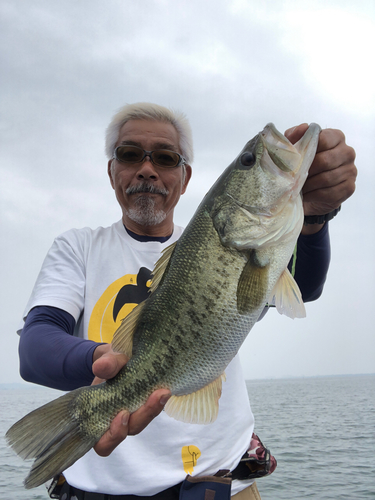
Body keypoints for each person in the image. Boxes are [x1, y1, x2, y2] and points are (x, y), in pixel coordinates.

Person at [18, 103, 357, 499]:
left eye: (165, 157)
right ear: (112, 171)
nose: (147, 169)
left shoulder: (229, 243)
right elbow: (35, 346)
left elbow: (307, 285)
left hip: (226, 487)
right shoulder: (78, 248)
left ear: (185, 176)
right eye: (129, 155)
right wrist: (105, 364)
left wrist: (315, 218)